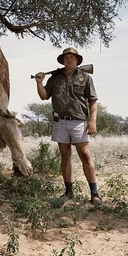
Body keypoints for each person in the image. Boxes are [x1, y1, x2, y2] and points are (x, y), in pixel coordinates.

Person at [34, 47, 102, 205]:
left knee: (85, 155)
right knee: (65, 156)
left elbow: (93, 101)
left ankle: (94, 193)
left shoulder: (85, 77)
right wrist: (39, 83)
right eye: (66, 58)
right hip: (60, 122)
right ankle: (68, 192)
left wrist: (92, 121)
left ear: (77, 60)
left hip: (78, 122)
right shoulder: (55, 78)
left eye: (72, 58)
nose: (69, 60)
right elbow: (44, 96)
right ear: (62, 60)